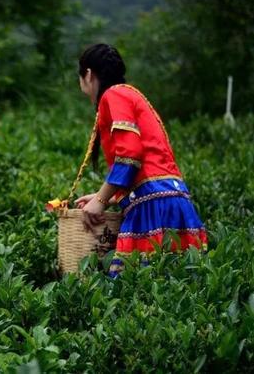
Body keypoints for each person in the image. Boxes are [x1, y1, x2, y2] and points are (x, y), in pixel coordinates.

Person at [74, 43, 207, 277]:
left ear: (87, 74)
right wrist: (103, 196)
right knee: (178, 287)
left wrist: (101, 201)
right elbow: (147, 164)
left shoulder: (114, 94)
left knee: (134, 292)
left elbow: (129, 156)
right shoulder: (130, 94)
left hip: (152, 207)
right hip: (173, 200)